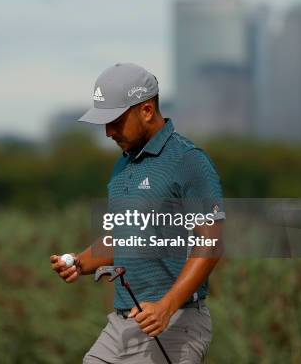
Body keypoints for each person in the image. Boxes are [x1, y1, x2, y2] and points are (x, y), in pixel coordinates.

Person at [50, 63, 225, 363]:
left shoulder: (188, 161)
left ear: (146, 111)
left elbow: (211, 244)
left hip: (174, 323)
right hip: (122, 324)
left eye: (115, 121)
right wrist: (80, 262)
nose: (108, 132)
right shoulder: (123, 166)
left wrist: (166, 308)